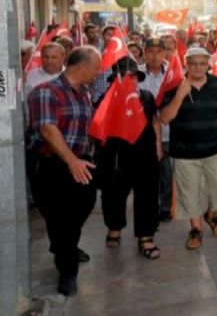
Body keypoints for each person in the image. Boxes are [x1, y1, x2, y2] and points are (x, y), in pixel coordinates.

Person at [28, 46, 103, 296]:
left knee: (81, 209)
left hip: (81, 161)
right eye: (95, 68)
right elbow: (48, 130)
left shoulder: (84, 93)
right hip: (52, 166)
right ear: (82, 67)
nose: (97, 72)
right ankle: (67, 270)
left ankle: (64, 246)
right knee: (58, 218)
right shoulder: (45, 92)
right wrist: (71, 160)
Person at [159, 47, 217, 250]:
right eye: (193, 63)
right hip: (185, 153)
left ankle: (211, 215)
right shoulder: (175, 85)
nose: (198, 67)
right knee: (189, 193)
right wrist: (179, 96)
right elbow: (164, 118)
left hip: (216, 148)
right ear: (186, 64)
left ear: (208, 65)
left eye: (202, 63)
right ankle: (195, 229)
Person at [96, 59, 163, 260]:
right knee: (113, 194)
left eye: (133, 76)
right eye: (124, 76)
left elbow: (155, 121)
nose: (130, 79)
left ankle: (146, 236)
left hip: (145, 154)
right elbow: (99, 127)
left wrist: (158, 145)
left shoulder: (147, 97)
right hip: (116, 156)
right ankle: (114, 228)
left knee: (148, 195)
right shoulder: (106, 99)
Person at [138, 38, 173, 221]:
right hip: (144, 134)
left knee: (167, 174)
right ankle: (150, 206)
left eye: (159, 51)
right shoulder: (136, 75)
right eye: (150, 51)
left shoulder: (173, 74)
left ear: (165, 53)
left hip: (168, 133)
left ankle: (165, 208)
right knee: (148, 175)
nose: (155, 55)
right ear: (145, 52)